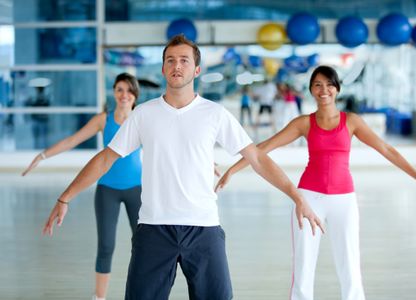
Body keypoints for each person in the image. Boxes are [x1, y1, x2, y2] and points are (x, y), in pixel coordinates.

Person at [41, 34, 323, 300]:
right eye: (171, 60)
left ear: (196, 70)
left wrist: (297, 196)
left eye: (184, 60)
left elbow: (258, 159)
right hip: (153, 228)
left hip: (203, 228)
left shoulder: (215, 114)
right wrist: (65, 196)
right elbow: (105, 159)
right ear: (163, 69)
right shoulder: (144, 114)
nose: (177, 65)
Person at [215, 65, 416, 300]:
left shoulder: (351, 121)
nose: (324, 90)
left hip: (344, 200)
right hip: (308, 199)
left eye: (329, 85)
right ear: (311, 89)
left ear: (337, 88)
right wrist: (233, 170)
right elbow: (262, 148)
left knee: (350, 266)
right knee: (303, 266)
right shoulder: (304, 123)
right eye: (318, 85)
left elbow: (386, 149)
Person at [24, 73, 142, 300]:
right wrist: (42, 155)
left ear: (135, 94)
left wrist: (207, 161)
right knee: (106, 246)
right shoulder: (103, 119)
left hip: (136, 189)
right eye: (119, 89)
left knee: (142, 246)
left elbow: (168, 145)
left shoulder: (140, 118)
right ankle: (99, 297)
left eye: (129, 90)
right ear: (114, 93)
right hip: (107, 189)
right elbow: (72, 140)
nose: (124, 94)